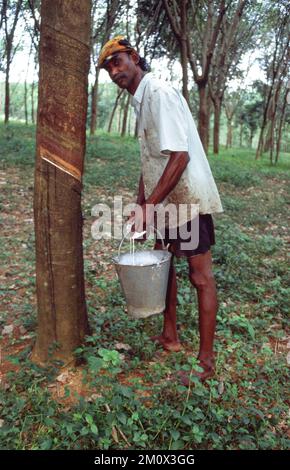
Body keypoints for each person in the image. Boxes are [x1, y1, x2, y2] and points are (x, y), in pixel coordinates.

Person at [98, 36, 223, 384]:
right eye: (108, 67)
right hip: (167, 199)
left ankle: (206, 363)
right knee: (163, 265)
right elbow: (151, 160)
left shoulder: (160, 94)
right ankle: (170, 336)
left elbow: (179, 156)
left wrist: (149, 204)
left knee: (200, 276)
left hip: (189, 199)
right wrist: (142, 205)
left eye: (118, 61)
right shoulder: (141, 100)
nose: (114, 71)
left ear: (135, 58)